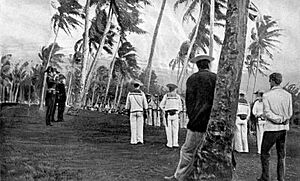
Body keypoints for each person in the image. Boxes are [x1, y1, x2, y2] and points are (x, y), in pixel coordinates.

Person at [164, 55, 216, 181]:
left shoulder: (192, 78)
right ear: (208, 65)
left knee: (188, 150)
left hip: (197, 121)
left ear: (198, 66)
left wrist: (192, 117)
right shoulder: (215, 78)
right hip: (212, 121)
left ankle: (180, 176)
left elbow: (189, 102)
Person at [257, 73, 293, 181]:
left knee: (265, 152)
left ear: (272, 81)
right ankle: (281, 178)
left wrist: (278, 119)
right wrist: (283, 119)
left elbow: (267, 113)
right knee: (281, 154)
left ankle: (265, 177)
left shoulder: (267, 95)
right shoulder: (288, 95)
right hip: (283, 128)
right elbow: (290, 112)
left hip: (271, 128)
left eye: (270, 81)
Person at [125, 80, 148, 145]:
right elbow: (145, 103)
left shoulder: (130, 93)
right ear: (139, 86)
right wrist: (146, 110)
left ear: (134, 86)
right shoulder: (142, 93)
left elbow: (128, 103)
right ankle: (140, 140)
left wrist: (127, 109)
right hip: (140, 111)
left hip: (132, 111)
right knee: (140, 126)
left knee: (133, 126)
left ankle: (133, 140)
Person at [160, 83, 182, 148]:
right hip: (175, 114)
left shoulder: (166, 96)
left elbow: (161, 105)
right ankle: (175, 143)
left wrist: (164, 110)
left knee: (168, 129)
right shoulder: (177, 96)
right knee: (175, 129)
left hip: (168, 114)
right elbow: (180, 106)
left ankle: (169, 143)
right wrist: (178, 112)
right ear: (174, 89)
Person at [252, 90, 265, 154]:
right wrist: (257, 115)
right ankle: (260, 150)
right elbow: (254, 112)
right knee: (260, 135)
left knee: (263, 135)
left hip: (265, 120)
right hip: (259, 120)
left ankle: (263, 149)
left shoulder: (265, 102)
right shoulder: (257, 102)